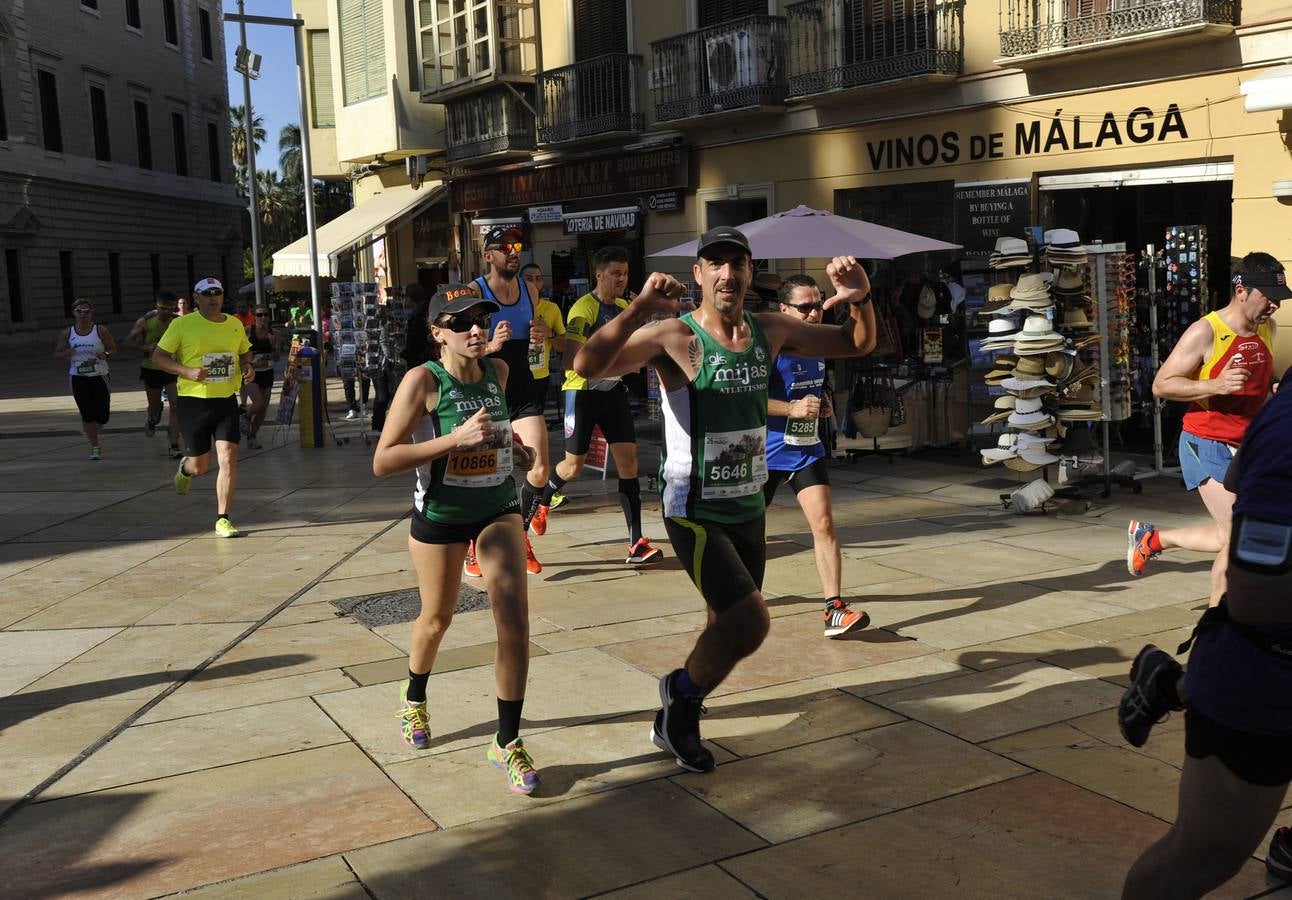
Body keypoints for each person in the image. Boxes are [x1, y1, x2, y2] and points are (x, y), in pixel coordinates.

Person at [574, 227, 875, 772]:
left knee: (725, 623)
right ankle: (681, 702)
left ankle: (682, 700)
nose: (727, 274)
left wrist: (862, 298)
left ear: (751, 272)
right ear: (698, 274)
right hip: (692, 507)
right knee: (750, 624)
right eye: (714, 263)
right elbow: (587, 366)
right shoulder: (674, 336)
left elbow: (856, 343)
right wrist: (638, 304)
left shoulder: (771, 329)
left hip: (747, 504)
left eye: (736, 263)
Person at [1119, 382, 1292, 898]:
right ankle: (1182, 684)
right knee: (1200, 858)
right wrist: (1215, 390)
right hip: (1265, 673)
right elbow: (1259, 590)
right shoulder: (1288, 427)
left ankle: (1173, 684)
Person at [373, 284, 541, 795]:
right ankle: (415, 697)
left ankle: (506, 742)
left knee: (513, 616)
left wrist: (518, 453)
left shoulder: (500, 371)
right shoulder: (423, 380)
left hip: (497, 507)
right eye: (461, 321)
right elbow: (383, 460)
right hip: (442, 515)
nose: (475, 329)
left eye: (481, 319)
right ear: (437, 332)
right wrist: (453, 439)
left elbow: (499, 443)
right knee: (436, 618)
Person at [1127, 253, 1286, 606]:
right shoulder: (1206, 331)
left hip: (1249, 444)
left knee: (1236, 530)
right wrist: (1214, 385)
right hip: (1206, 442)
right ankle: (1218, 624)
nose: (1274, 304)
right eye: (1268, 296)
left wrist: (1272, 390)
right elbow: (1162, 385)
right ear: (1241, 290)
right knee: (1239, 537)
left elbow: (1260, 379)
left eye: (1279, 297)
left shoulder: (1266, 328)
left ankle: (1153, 540)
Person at [531, 246, 663, 565]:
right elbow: (570, 363)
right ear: (599, 275)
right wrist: (620, 367)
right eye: (615, 273)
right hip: (583, 392)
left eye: (626, 273)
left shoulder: (622, 306)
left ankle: (636, 543)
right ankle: (543, 499)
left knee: (629, 463)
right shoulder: (583, 308)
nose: (622, 279)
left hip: (612, 391)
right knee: (573, 467)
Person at [764, 274, 869, 639]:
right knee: (744, 534)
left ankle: (834, 608)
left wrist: (820, 404)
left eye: (818, 304)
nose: (813, 313)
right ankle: (737, 600)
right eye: (803, 307)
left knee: (823, 524)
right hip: (763, 453)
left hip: (805, 450)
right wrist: (790, 408)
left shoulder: (819, 343)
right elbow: (745, 398)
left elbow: (859, 345)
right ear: (783, 310)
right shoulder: (769, 345)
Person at [466, 225, 546, 577]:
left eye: (517, 245)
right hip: (488, 391)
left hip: (523, 389)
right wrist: (491, 347)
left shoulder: (529, 289)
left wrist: (539, 335)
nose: (513, 251)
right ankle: (474, 543)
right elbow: (459, 349)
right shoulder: (473, 292)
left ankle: (519, 537)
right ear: (488, 255)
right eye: (503, 246)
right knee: (488, 476)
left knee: (539, 469)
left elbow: (536, 335)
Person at [151, 278, 254, 538]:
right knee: (201, 466)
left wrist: (248, 366)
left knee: (228, 459)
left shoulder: (234, 324)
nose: (213, 298)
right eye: (206, 294)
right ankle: (186, 470)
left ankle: (223, 518)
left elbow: (244, 353)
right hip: (193, 402)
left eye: (217, 293)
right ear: (196, 298)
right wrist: (186, 371)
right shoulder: (182, 324)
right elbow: (158, 357)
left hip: (225, 399)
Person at [516, 262, 569, 521]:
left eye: (538, 278)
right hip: (511, 381)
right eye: (529, 278)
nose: (535, 283)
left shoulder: (551, 309)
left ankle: (536, 491)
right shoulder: (513, 308)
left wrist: (548, 333)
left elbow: (563, 344)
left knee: (537, 454)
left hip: (539, 376)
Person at [54, 298, 117, 461]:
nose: (83, 314)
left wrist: (106, 354)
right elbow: (57, 353)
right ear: (73, 313)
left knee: (102, 416)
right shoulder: (67, 333)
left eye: (86, 311)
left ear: (91, 313)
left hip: (100, 375)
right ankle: (95, 447)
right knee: (87, 414)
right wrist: (65, 353)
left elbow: (112, 348)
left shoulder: (100, 330)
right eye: (79, 311)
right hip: (78, 377)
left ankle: (98, 425)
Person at [126, 290, 183, 459]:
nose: (166, 312)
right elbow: (129, 340)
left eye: (170, 309)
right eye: (163, 308)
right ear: (157, 306)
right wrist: (144, 347)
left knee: (175, 406)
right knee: (155, 407)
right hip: (151, 368)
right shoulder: (146, 322)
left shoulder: (178, 322)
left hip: (172, 368)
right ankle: (152, 419)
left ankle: (174, 444)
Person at [242, 304, 280, 448]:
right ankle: (244, 417)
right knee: (258, 404)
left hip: (267, 373)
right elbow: (240, 350)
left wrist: (273, 344)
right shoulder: (247, 331)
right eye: (259, 315)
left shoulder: (275, 333)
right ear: (254, 316)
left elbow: (276, 358)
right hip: (251, 373)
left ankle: (252, 436)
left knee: (263, 409)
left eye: (265, 315)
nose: (263, 318)